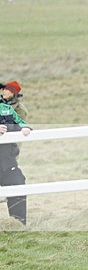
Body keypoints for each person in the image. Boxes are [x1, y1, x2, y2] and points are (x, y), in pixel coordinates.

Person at [0, 92, 32, 225]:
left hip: (7, 163)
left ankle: (18, 227)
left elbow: (19, 122)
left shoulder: (5, 108)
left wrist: (24, 127)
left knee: (18, 184)